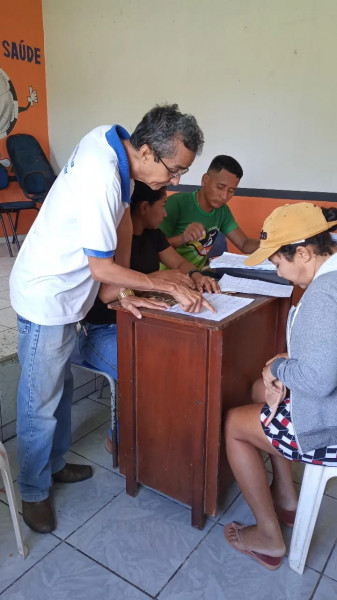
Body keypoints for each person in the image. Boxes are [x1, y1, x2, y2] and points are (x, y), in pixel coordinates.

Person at [9, 103, 214, 534]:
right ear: (145, 150)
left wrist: (135, 287)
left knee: (59, 391)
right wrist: (164, 283)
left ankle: (55, 464)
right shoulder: (104, 175)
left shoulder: (110, 140)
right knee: (39, 399)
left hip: (67, 296)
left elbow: (111, 261)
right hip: (47, 295)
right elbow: (103, 271)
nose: (175, 182)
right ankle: (32, 490)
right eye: (174, 170)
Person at [223, 202, 337, 570]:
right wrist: (282, 369)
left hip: (328, 426)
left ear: (303, 252)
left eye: (277, 263)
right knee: (261, 392)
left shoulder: (323, 295)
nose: (279, 272)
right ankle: (286, 498)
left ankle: (269, 538)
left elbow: (318, 382)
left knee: (234, 426)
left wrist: (281, 366)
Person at [79, 180, 220, 452]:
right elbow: (107, 293)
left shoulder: (153, 234)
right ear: (144, 207)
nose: (166, 214)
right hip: (103, 331)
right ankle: (119, 438)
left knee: (181, 358)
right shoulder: (115, 239)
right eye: (163, 206)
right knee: (146, 369)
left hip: (144, 323)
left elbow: (178, 263)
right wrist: (156, 279)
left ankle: (166, 432)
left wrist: (196, 274)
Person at [159, 155, 259, 269]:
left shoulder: (222, 211)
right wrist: (183, 238)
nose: (224, 196)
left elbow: (244, 244)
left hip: (198, 278)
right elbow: (155, 248)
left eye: (231, 191)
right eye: (220, 187)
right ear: (205, 179)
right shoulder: (176, 204)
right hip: (168, 279)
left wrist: (274, 243)